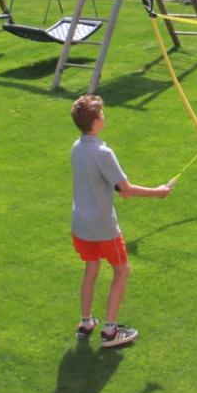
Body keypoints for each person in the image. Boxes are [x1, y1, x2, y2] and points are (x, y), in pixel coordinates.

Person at [69, 95, 171, 349]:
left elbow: (105, 183)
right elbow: (125, 188)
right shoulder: (103, 152)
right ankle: (110, 331)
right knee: (122, 271)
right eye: (101, 114)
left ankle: (85, 322)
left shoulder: (76, 148)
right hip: (103, 228)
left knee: (91, 269)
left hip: (80, 226)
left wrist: (118, 188)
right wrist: (157, 192)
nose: (104, 116)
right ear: (94, 121)